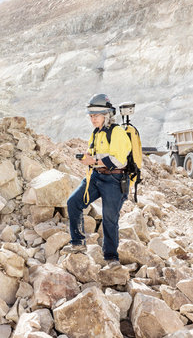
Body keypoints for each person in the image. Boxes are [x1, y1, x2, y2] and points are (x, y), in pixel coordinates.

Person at [65, 93, 131, 268]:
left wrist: (93, 161)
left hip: (114, 179)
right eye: (91, 116)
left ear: (106, 115)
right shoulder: (96, 133)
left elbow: (120, 160)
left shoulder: (117, 132)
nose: (92, 119)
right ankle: (77, 243)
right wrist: (88, 156)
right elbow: (93, 153)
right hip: (96, 176)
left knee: (109, 218)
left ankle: (111, 257)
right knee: (74, 202)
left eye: (96, 116)